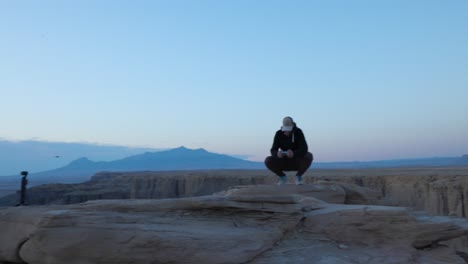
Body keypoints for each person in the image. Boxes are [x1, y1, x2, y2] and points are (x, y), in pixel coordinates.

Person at [265, 116, 313, 185]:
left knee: (309, 156)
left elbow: (304, 149)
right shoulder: (278, 133)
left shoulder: (298, 132)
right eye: (285, 130)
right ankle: (282, 177)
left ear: (292, 126)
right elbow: (273, 149)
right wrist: (277, 154)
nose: (286, 131)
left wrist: (294, 153)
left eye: (288, 129)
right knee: (268, 160)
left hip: (297, 160)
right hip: (283, 160)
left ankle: (298, 177)